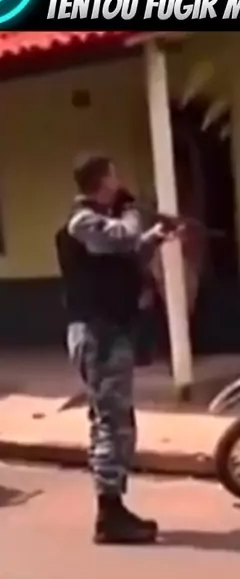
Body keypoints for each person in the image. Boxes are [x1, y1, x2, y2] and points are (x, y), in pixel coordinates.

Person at [55, 155, 180, 544]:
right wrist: (132, 211)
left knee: (115, 419)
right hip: (99, 335)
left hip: (109, 332)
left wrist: (157, 234)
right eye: (114, 175)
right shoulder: (83, 222)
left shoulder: (104, 223)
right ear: (102, 181)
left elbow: (129, 250)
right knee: (111, 422)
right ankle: (109, 514)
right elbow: (122, 237)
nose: (119, 180)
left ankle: (113, 507)